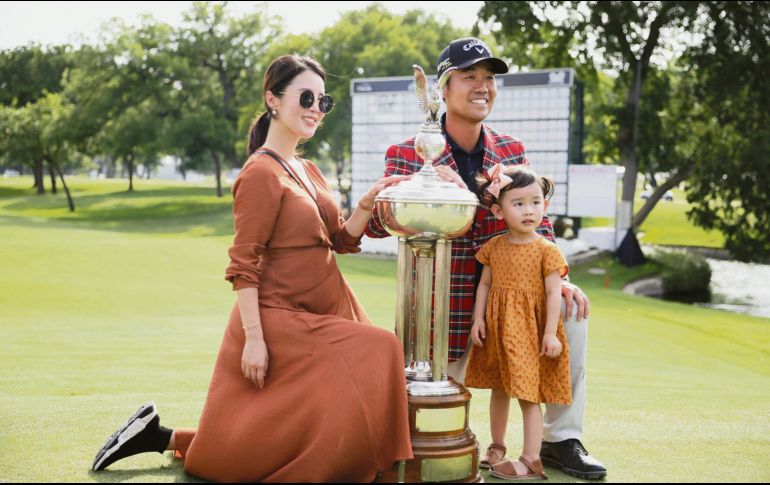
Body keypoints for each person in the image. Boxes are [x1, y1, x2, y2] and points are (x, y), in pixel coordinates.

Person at [91, 55, 413, 482]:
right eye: (305, 96)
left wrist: (367, 203)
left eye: (323, 100)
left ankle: (157, 435)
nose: (316, 107)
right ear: (273, 100)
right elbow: (244, 262)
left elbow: (338, 239)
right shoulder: (260, 172)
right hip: (280, 316)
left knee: (280, 434)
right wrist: (255, 340)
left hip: (323, 306)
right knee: (381, 348)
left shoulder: (308, 168)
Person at [365, 37, 607, 479]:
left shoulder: (511, 150)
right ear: (443, 88)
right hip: (445, 308)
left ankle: (560, 440)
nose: (482, 86)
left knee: (571, 309)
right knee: (433, 420)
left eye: (489, 78)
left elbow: (539, 222)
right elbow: (379, 225)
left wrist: (561, 275)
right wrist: (428, 191)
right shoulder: (408, 152)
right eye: (469, 76)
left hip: (513, 301)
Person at [466, 166, 571, 480]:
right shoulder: (495, 247)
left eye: (536, 202)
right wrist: (477, 320)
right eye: (519, 203)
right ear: (499, 211)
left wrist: (551, 333)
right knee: (500, 387)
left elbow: (554, 293)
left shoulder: (546, 250)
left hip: (529, 331)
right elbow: (484, 285)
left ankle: (531, 458)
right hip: (499, 329)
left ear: (545, 207)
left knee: (527, 393)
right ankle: (497, 446)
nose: (529, 210)